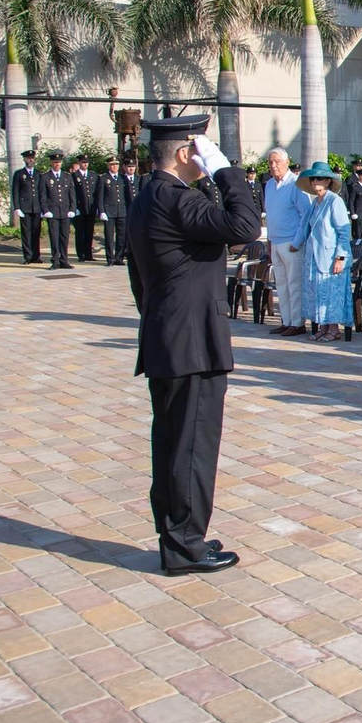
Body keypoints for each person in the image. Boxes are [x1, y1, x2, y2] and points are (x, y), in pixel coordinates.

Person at [126, 116, 259, 575]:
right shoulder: (177, 198)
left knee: (171, 442)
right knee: (192, 446)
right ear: (186, 154)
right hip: (193, 342)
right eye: (202, 147)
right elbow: (245, 225)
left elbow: (137, 278)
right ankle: (185, 547)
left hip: (167, 335)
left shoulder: (149, 196)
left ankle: (178, 535)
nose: (207, 154)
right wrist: (226, 171)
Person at [291, 162, 354, 341]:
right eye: (313, 179)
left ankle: (334, 329)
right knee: (317, 292)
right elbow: (306, 226)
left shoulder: (335, 201)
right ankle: (323, 326)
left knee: (331, 293)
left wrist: (340, 258)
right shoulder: (315, 203)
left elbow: (343, 231)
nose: (315, 182)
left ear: (328, 181)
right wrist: (295, 243)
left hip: (331, 256)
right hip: (314, 256)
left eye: (319, 178)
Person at [263, 147, 312, 336]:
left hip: (292, 242)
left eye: (277, 161)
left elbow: (306, 215)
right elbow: (270, 215)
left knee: (294, 284)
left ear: (287, 162)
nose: (273, 165)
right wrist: (269, 241)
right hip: (275, 241)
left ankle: (298, 323)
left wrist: (297, 241)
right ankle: (287, 320)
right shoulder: (269, 185)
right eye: (270, 162)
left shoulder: (296, 184)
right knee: (281, 284)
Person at [41, 150, 76, 269]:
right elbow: (43, 196)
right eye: (55, 162)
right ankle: (55, 260)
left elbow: (72, 194)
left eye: (59, 162)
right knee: (54, 237)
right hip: (53, 212)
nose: (57, 164)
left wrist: (72, 208)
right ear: (51, 163)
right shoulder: (45, 177)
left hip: (65, 212)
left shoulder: (67, 176)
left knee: (64, 237)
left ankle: (64, 260)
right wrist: (45, 210)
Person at [10, 150, 43, 265]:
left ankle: (36, 256)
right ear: (24, 159)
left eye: (32, 158)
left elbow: (42, 192)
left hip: (37, 208)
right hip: (25, 208)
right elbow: (15, 192)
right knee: (26, 233)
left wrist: (43, 208)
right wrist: (17, 207)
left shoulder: (39, 174)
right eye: (28, 158)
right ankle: (28, 256)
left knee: (36, 232)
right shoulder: (19, 174)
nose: (30, 160)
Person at [95, 156, 130, 265]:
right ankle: (110, 258)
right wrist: (101, 211)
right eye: (112, 165)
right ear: (108, 166)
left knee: (121, 236)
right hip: (109, 211)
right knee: (109, 236)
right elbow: (100, 196)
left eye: (116, 165)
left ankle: (119, 258)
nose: (114, 167)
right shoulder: (103, 178)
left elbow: (127, 196)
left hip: (122, 211)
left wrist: (128, 210)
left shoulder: (123, 178)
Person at [71, 154, 99, 262]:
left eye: (86, 162)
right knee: (80, 232)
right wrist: (74, 208)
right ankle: (81, 254)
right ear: (79, 163)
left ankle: (88, 254)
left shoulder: (93, 175)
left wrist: (96, 207)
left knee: (89, 232)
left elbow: (96, 192)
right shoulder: (74, 176)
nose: (85, 164)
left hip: (90, 208)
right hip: (80, 208)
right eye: (83, 162)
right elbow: (72, 193)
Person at [344, 164, 362, 243]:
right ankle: (357, 249)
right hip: (359, 213)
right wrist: (352, 212)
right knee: (358, 233)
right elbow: (351, 201)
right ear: (359, 176)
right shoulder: (355, 187)